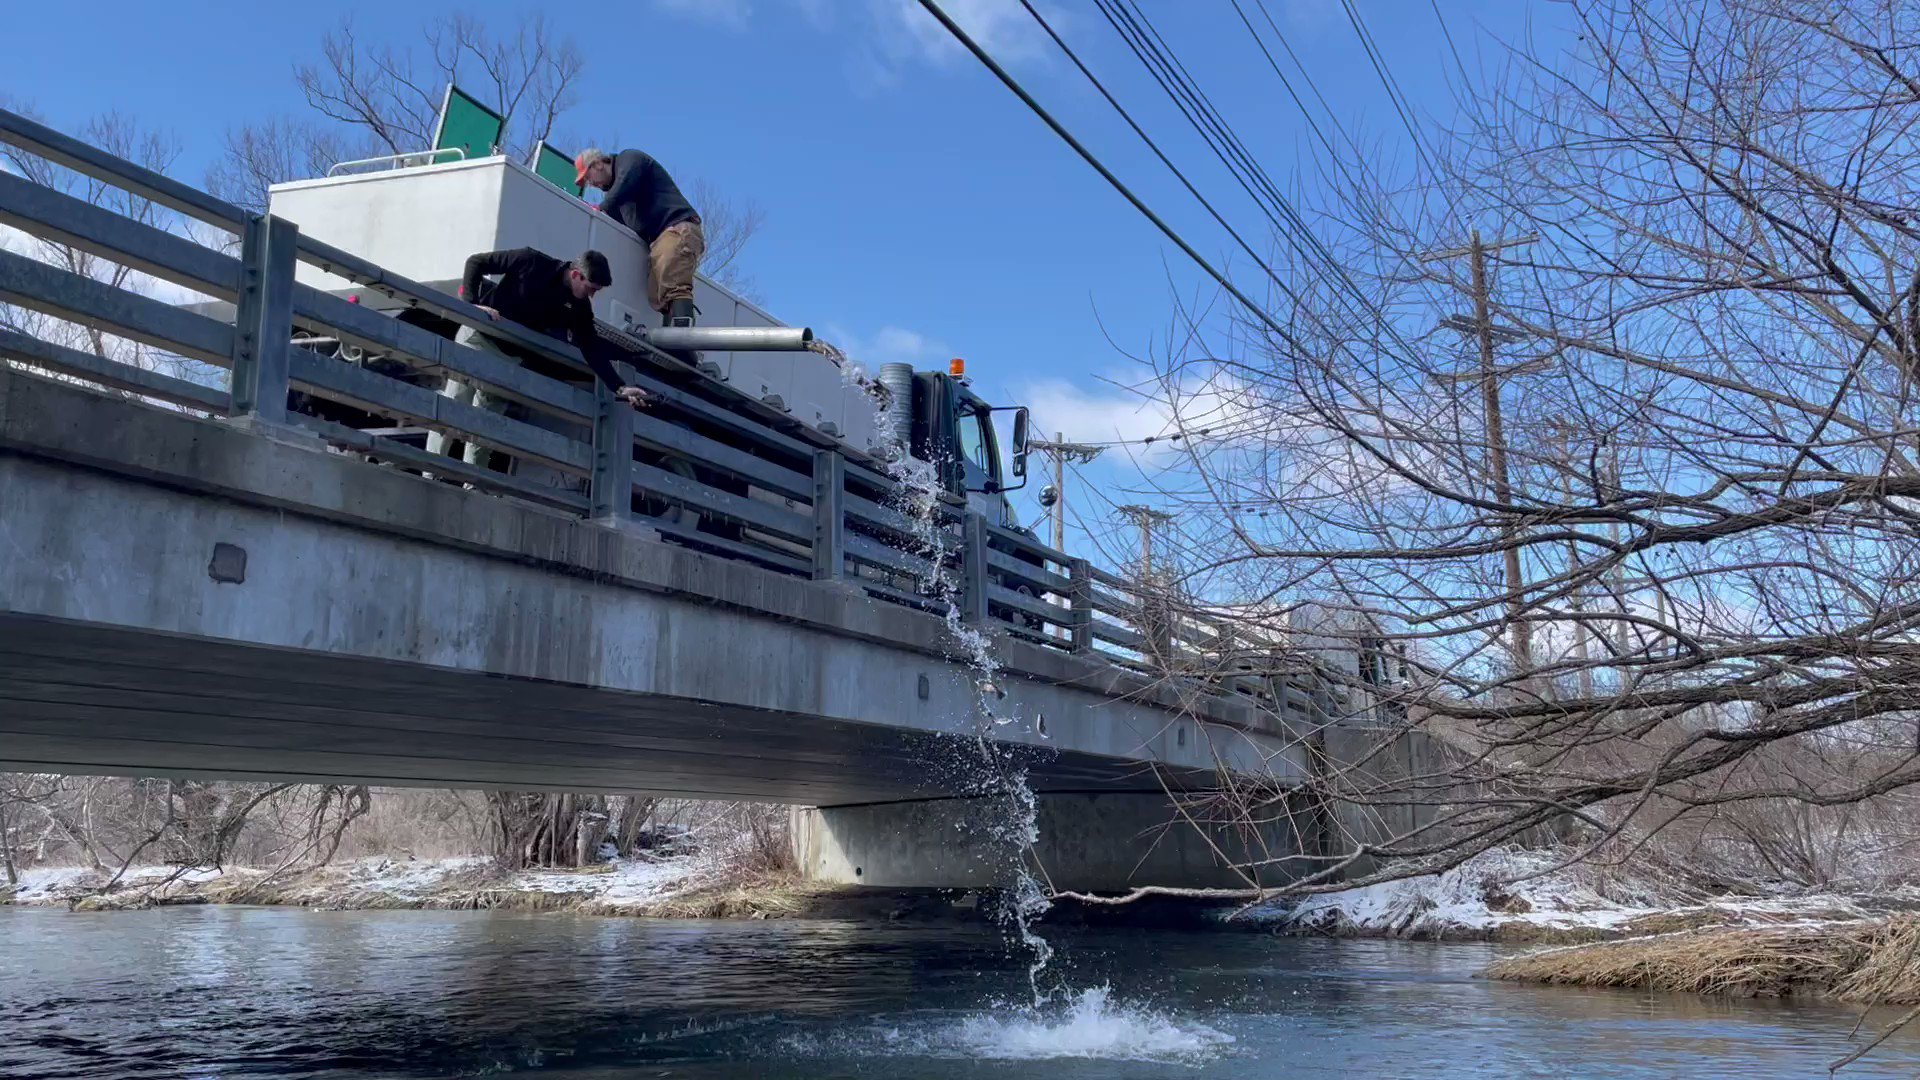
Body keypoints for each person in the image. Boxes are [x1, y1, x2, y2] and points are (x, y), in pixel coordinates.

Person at [426, 248, 648, 483]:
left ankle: (474, 482)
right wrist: (471, 305)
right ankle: (430, 471)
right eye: (591, 288)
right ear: (576, 275)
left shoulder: (579, 307)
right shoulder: (530, 261)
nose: (592, 295)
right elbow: (476, 261)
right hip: (479, 339)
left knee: (486, 422)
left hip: (510, 359)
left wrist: (619, 387)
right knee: (456, 402)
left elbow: (591, 347)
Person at [574, 148, 705, 327]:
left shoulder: (629, 160)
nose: (591, 184)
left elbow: (626, 181)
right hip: (659, 239)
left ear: (597, 164)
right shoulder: (619, 199)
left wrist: (601, 207)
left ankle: (682, 341)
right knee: (659, 294)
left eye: (588, 177)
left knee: (673, 284)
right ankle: (674, 338)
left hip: (676, 227)